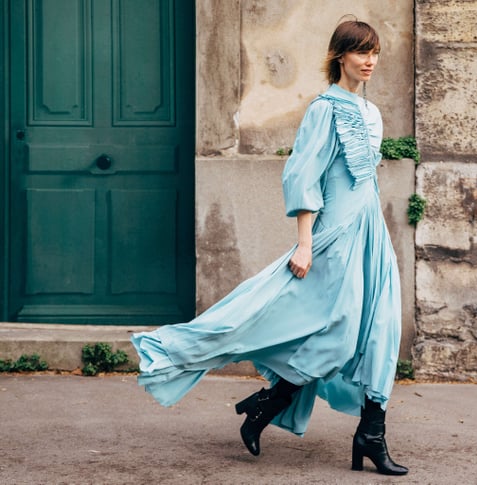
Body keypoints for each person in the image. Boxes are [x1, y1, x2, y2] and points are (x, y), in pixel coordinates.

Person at [130, 19, 408, 476]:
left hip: (370, 235)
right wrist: (304, 244)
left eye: (375, 52)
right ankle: (262, 405)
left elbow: (366, 182)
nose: (370, 61)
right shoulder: (324, 109)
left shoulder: (373, 113)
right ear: (340, 56)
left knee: (383, 331)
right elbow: (304, 176)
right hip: (333, 238)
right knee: (332, 335)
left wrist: (376, 235)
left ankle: (370, 435)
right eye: (361, 52)